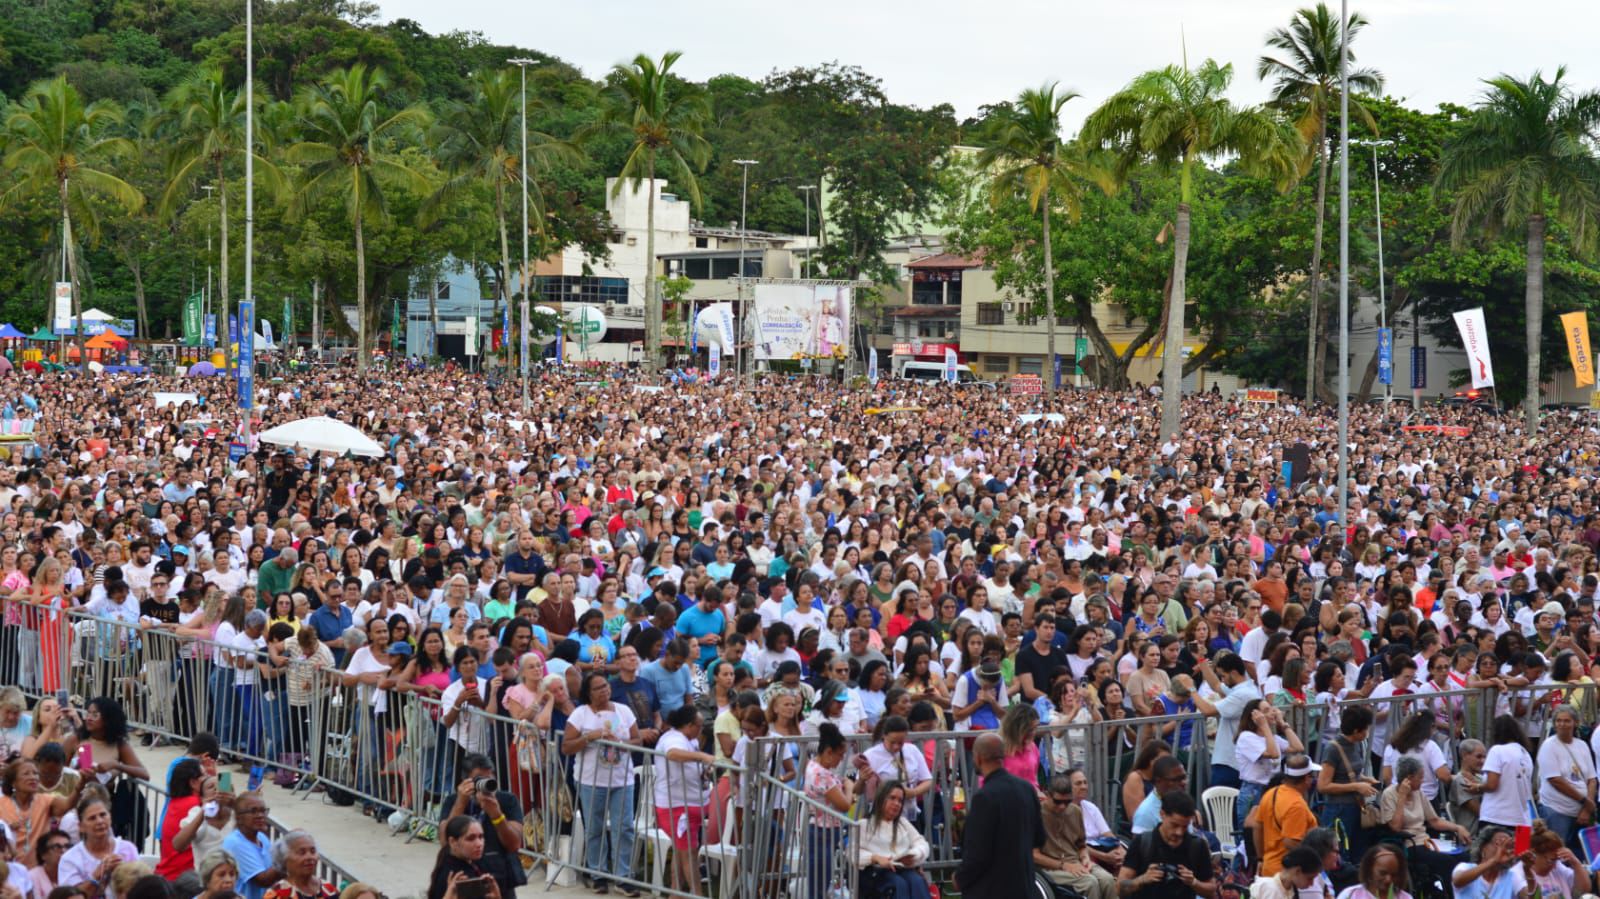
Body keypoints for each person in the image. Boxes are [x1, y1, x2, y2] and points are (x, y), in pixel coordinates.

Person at [561, 672, 638, 894]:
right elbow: (566, 746)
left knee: (624, 827)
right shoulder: (580, 714)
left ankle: (623, 877)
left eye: (605, 685)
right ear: (589, 693)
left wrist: (621, 742)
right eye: (598, 688)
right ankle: (598, 873)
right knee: (595, 828)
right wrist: (589, 737)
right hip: (591, 780)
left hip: (622, 779)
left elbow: (637, 739)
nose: (604, 690)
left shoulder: (623, 710)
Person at [955, 733, 1043, 899]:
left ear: (978, 757)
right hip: (1023, 885)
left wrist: (960, 878)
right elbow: (1039, 838)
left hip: (992, 889)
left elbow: (977, 853)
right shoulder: (1027, 789)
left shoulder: (984, 797)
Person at [1380, 756, 1471, 893]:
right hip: (1409, 845)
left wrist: (1458, 827)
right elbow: (1395, 827)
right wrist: (1402, 797)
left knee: (1464, 857)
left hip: (1426, 841)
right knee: (1447, 862)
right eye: (1420, 777)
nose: (1422, 781)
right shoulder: (1389, 794)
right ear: (1409, 778)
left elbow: (1434, 821)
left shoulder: (1418, 793)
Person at [443, 755, 525, 899]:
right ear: (465, 781)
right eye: (479, 780)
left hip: (499, 877)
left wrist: (497, 815)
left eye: (489, 779)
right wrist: (461, 803)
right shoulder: (453, 801)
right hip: (463, 878)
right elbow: (445, 842)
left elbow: (514, 844)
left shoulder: (507, 800)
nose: (485, 784)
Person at [652, 706, 714, 897]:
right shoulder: (673, 738)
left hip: (690, 804)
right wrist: (702, 756)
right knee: (689, 854)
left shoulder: (691, 740)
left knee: (683, 852)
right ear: (688, 725)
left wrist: (703, 769)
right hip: (677, 807)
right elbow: (673, 754)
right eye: (699, 726)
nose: (701, 729)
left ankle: (675, 893)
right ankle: (697, 894)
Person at [1117, 790, 1214, 899]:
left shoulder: (1197, 846)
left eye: (1184, 827)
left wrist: (1194, 882)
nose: (1179, 832)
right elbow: (1120, 888)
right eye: (1174, 825)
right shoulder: (1142, 843)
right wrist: (1142, 879)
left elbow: (1211, 890)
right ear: (1162, 814)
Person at [1037, 773, 1117, 899]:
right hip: (1049, 868)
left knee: (1107, 880)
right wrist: (1063, 865)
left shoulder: (1075, 811)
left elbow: (1081, 845)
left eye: (1067, 801)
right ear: (1047, 795)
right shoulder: (1036, 814)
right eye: (1058, 802)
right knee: (1090, 883)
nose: (1062, 806)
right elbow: (1034, 855)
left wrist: (1085, 858)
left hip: (1075, 861)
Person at [803, 723, 856, 899]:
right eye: (840, 755)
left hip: (822, 830)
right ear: (828, 752)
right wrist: (849, 787)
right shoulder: (822, 774)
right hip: (823, 832)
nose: (841, 760)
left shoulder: (813, 766)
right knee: (819, 883)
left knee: (819, 881)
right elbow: (844, 805)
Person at [855, 780, 931, 899]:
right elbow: (852, 852)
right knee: (898, 884)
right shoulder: (864, 825)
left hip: (902, 869)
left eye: (900, 800)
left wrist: (914, 855)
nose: (896, 803)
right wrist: (875, 858)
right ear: (881, 799)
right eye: (892, 798)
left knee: (917, 881)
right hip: (876, 873)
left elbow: (922, 843)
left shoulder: (903, 823)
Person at [1535, 704, 1597, 845]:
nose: (1562, 724)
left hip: (1583, 811)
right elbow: (1555, 780)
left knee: (1582, 852)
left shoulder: (1582, 745)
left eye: (1567, 721)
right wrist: (1585, 801)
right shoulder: (1549, 746)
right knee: (1556, 850)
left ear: (1575, 723)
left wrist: (1587, 808)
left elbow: (1592, 779)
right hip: (1557, 810)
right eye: (1559, 720)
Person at [57, 797, 137, 899]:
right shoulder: (70, 859)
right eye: (92, 818)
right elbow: (69, 897)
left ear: (110, 817)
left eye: (103, 815)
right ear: (81, 826)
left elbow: (140, 889)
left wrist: (124, 872)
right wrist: (98, 874)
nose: (99, 821)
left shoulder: (128, 849)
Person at [1256, 753, 1319, 878]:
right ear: (1306, 778)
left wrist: (1260, 859)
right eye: (1312, 776)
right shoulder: (1296, 805)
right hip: (1288, 876)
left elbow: (1257, 827)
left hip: (1269, 868)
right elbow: (1290, 842)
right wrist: (1314, 858)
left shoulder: (1271, 793)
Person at [1480, 714, 1535, 830]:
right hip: (1524, 821)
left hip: (1496, 818)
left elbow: (1492, 785)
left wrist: (1477, 787)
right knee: (1522, 844)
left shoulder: (1497, 750)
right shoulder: (1525, 754)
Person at [426, 816, 502, 899]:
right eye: (471, 838)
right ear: (453, 841)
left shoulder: (471, 862)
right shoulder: (459, 877)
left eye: (481, 837)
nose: (479, 844)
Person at [221, 793, 278, 899]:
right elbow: (263, 880)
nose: (260, 815)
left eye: (263, 811)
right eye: (253, 811)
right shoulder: (235, 843)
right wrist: (288, 859)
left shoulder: (261, 837)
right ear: (239, 817)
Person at [1451, 826, 1523, 899]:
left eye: (1508, 846)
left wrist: (1527, 870)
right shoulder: (1465, 867)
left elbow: (1527, 896)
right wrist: (1494, 860)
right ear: (1483, 848)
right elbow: (1457, 881)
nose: (1502, 849)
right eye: (1498, 843)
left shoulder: (1512, 876)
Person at [260, 831, 335, 899]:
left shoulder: (328, 889)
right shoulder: (278, 894)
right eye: (302, 853)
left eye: (313, 851)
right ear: (284, 858)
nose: (309, 857)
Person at [1249, 846, 1326, 899]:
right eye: (1310, 878)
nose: (1312, 884)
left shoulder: (1292, 892)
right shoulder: (1266, 887)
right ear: (1297, 871)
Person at [1336, 844, 1410, 899]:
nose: (1388, 879)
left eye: (1394, 875)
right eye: (1382, 873)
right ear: (1369, 870)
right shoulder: (1351, 894)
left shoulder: (1405, 897)